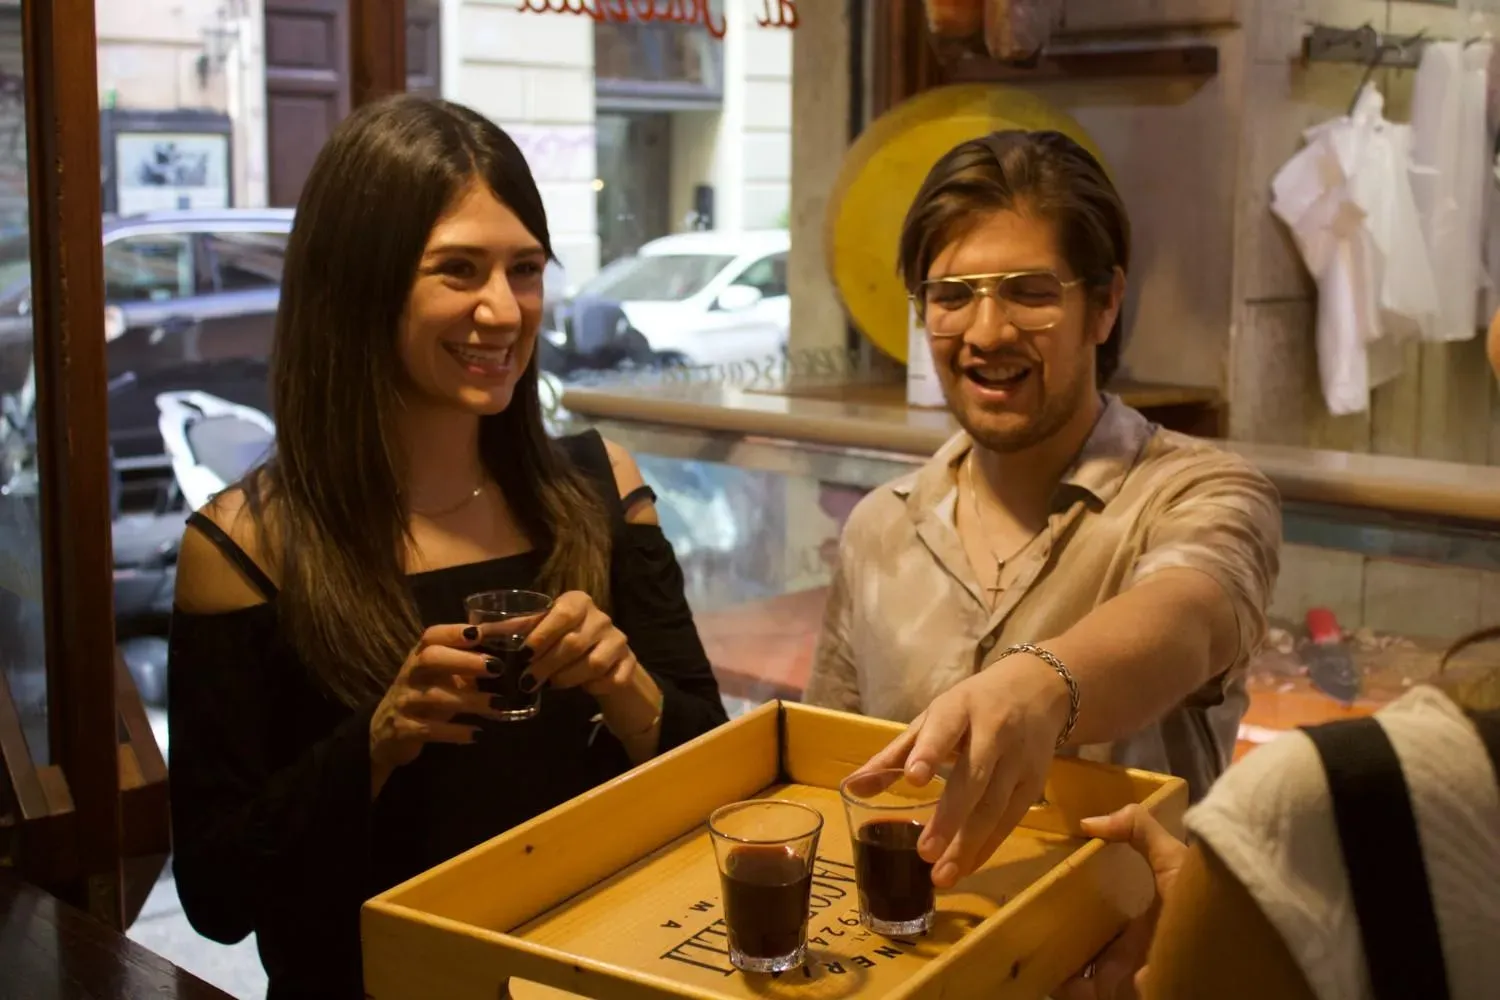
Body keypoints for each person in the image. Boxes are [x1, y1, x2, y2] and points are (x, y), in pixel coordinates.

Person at [167, 95, 728, 999]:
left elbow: (718, 792)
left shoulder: (599, 491)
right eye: (458, 271)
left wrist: (626, 686)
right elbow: (218, 893)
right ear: (359, 284)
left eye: (526, 269)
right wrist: (377, 744)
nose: (503, 311)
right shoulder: (247, 545)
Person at [805, 129, 1282, 888]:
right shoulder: (879, 528)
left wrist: (1042, 685)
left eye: (1030, 292)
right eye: (951, 297)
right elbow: (831, 767)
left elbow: (1190, 613)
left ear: (1104, 304)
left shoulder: (1197, 491)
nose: (987, 332)